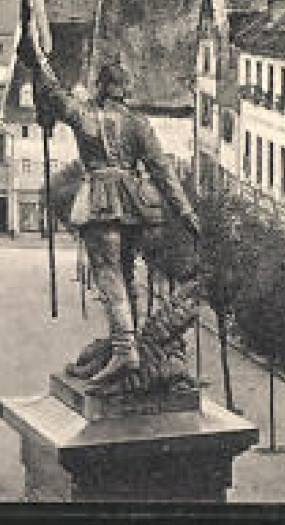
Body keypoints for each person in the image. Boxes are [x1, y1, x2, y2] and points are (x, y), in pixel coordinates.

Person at [18, 33, 200, 389]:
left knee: (108, 275)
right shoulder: (138, 123)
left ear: (102, 87)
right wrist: (186, 213)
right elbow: (162, 170)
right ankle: (123, 349)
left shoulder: (87, 117)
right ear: (125, 90)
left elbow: (55, 94)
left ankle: (124, 350)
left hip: (102, 200)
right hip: (134, 204)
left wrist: (37, 59)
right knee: (127, 276)